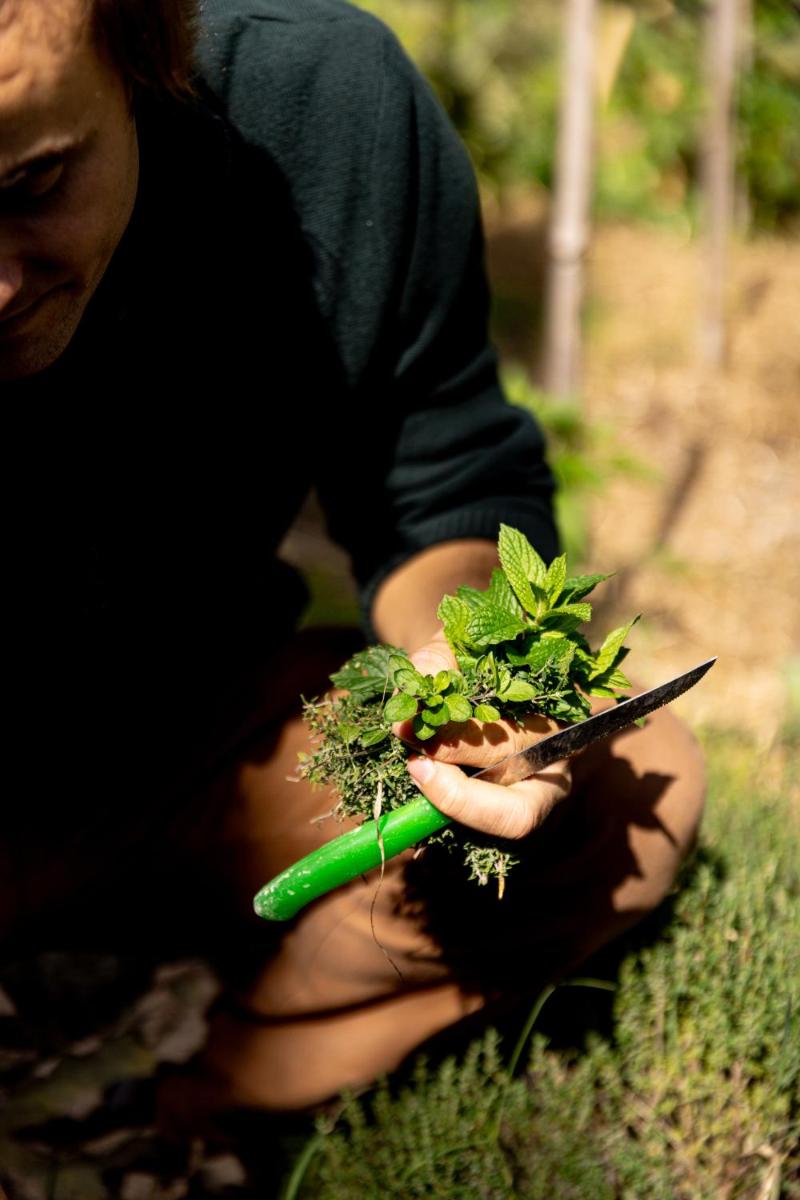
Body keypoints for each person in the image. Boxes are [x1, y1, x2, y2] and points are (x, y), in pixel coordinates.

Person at [0, 0, 705, 1144]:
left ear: (146, 50)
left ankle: (186, 1105)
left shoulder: (316, 105)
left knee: (627, 783)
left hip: (173, 742)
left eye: (31, 187)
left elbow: (438, 473)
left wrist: (469, 671)